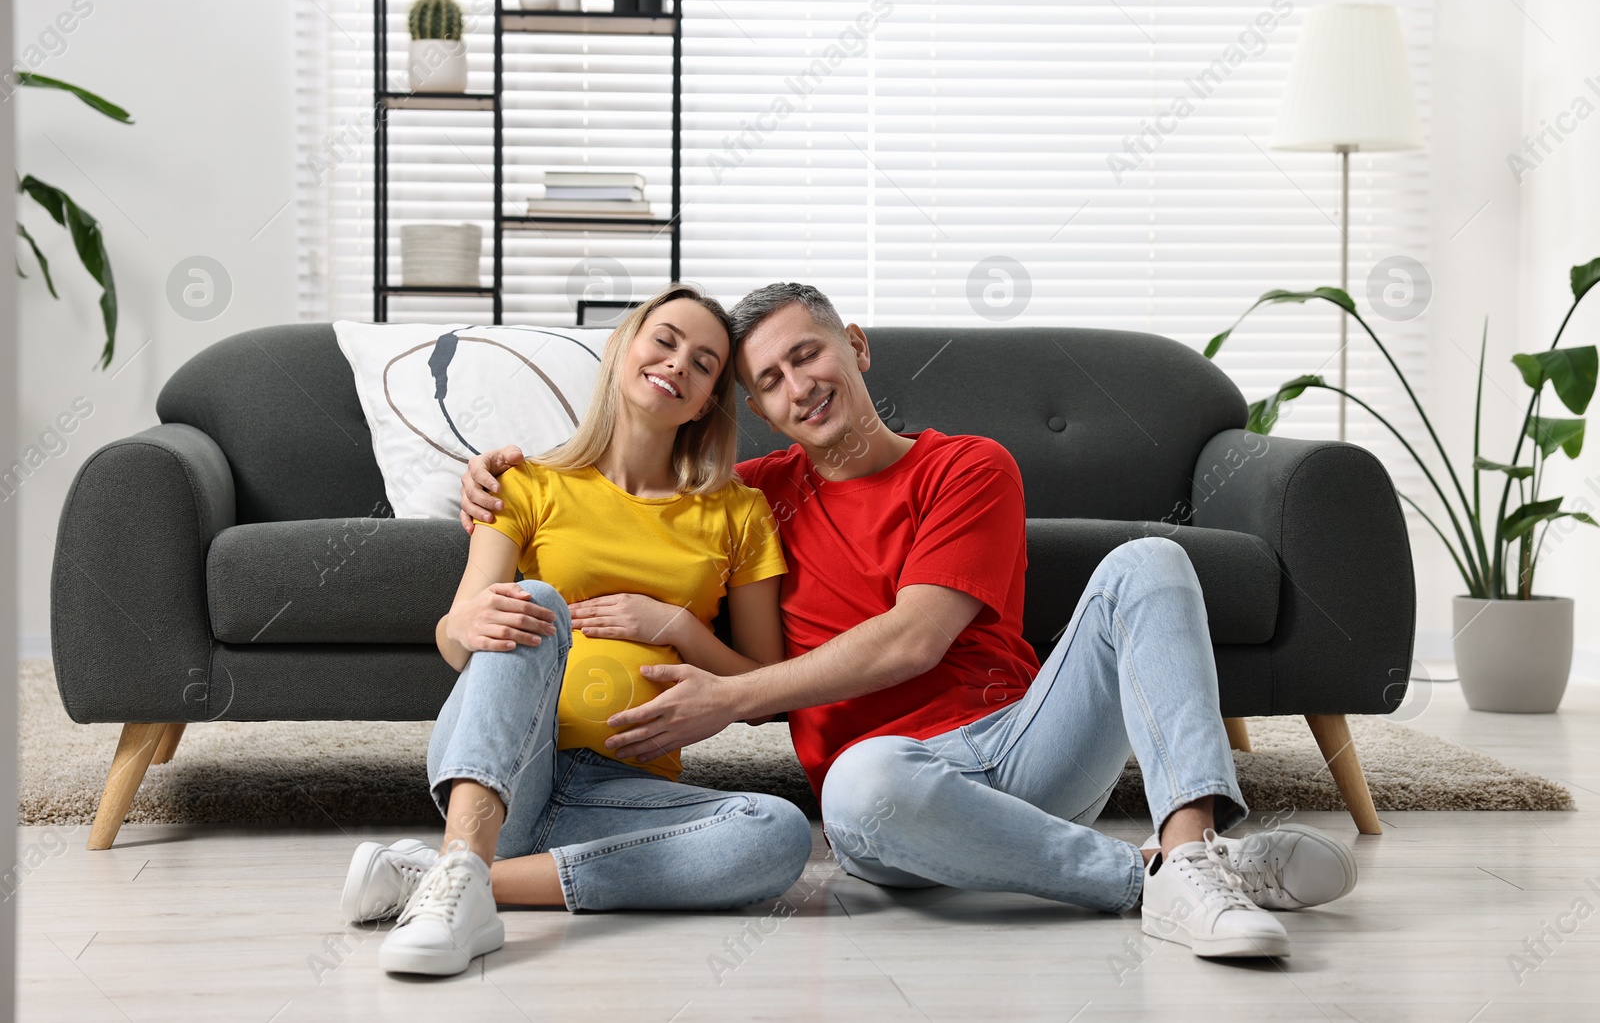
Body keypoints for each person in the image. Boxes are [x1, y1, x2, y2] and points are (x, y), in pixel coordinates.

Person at [461, 282, 1358, 961]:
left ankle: (1192, 850)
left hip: (1022, 746)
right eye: (768, 382)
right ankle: (1163, 881)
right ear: (756, 412)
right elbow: (631, 501)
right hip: (887, 800)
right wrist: (497, 474)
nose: (797, 387)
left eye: (807, 355)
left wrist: (731, 698)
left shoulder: (967, 466)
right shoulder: (748, 504)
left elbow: (916, 636)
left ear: (854, 346)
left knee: (1151, 561)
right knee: (857, 781)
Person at [342, 285, 813, 978]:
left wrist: (678, 625)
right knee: (529, 598)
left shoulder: (737, 513)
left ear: (711, 397)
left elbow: (765, 692)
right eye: (666, 339)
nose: (679, 362)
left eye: (705, 361)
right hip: (511, 764)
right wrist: (463, 620)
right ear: (624, 347)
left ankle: (455, 874)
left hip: (622, 790)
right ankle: (465, 864)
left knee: (778, 834)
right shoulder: (527, 482)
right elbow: (456, 634)